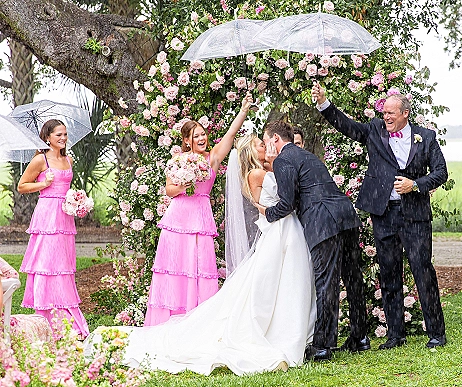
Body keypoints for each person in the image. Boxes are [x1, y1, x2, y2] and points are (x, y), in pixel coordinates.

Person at [87, 134, 316, 376]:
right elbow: (273, 202)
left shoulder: (264, 171)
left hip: (281, 230)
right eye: (261, 144)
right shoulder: (259, 174)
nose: (266, 146)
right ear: (252, 151)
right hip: (277, 228)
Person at [311, 84, 449, 349]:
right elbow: (348, 126)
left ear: (405, 114)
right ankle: (395, 335)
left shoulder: (427, 137)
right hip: (383, 214)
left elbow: (441, 172)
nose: (386, 117)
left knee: (423, 271)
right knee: (388, 273)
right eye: (383, 112)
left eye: (391, 113)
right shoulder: (374, 130)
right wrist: (324, 103)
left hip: (415, 215)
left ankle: (436, 334)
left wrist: (415, 184)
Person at [257, 120, 369, 362]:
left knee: (326, 282)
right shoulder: (307, 156)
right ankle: (360, 337)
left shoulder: (284, 159)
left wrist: (267, 212)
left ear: (276, 139)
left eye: (267, 141)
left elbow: (287, 203)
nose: (266, 147)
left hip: (322, 221)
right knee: (352, 278)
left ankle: (322, 345)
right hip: (346, 216)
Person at [144, 94, 253, 326]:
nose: (202, 138)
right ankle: (170, 321)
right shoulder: (177, 160)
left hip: (200, 218)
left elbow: (230, 135)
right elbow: (169, 191)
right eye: (197, 136)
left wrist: (243, 111)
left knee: (200, 269)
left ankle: (199, 323)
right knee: (175, 268)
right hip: (177, 219)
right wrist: (186, 182)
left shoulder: (212, 158)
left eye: (203, 134)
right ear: (187, 140)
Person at [17, 119, 90, 339]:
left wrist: (77, 200)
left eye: (65, 134)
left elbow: (66, 186)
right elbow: (22, 186)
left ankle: (67, 317)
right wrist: (43, 184)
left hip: (65, 217)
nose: (63, 138)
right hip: (47, 216)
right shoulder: (40, 160)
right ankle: (47, 317)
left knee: (63, 265)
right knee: (47, 264)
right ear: (47, 137)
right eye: (58, 134)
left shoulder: (68, 159)